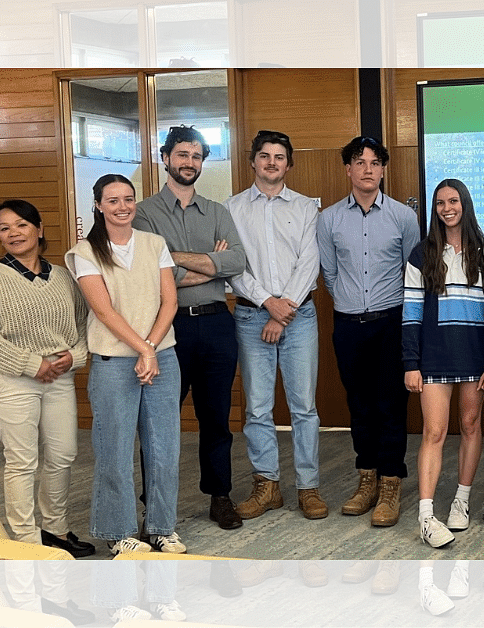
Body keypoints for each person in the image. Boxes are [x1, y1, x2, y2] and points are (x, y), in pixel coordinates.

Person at [0, 200, 94, 558]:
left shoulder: (64, 276)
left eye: (20, 225)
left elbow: (84, 325)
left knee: (63, 454)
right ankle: (26, 541)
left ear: (39, 229)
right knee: (22, 460)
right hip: (10, 380)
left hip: (59, 377)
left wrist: (75, 356)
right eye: (4, 228)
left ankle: (53, 529)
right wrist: (30, 364)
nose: (13, 233)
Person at [134, 125, 247, 530]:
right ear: (166, 158)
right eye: (182, 154)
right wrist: (207, 265)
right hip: (168, 329)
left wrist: (175, 262)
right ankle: (155, 505)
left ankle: (220, 495)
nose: (189, 162)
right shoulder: (144, 212)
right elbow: (148, 273)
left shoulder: (217, 211)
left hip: (217, 325)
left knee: (216, 418)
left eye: (196, 156)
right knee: (159, 420)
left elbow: (237, 262)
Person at [66, 174, 184, 555]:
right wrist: (143, 350)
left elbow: (170, 302)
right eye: (113, 200)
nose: (122, 207)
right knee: (114, 450)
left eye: (128, 199)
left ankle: (163, 527)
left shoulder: (154, 244)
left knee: (164, 448)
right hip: (114, 362)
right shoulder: (85, 252)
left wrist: (151, 348)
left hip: (161, 357)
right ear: (98, 205)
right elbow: (104, 311)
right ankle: (119, 533)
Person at [319, 135, 421, 528]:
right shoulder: (329, 218)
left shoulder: (402, 216)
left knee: (391, 405)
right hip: (348, 325)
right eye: (359, 162)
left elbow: (411, 275)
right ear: (348, 169)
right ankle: (367, 480)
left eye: (375, 162)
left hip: (391, 322)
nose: (367, 169)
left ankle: (391, 483)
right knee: (359, 405)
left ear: (383, 169)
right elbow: (329, 272)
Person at [225, 130, 326, 521]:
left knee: (304, 407)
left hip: (298, 318)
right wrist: (268, 304)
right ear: (253, 161)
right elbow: (234, 267)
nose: (271, 162)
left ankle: (308, 487)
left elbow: (309, 262)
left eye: (279, 157)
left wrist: (283, 311)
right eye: (264, 156)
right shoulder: (231, 208)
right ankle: (266, 486)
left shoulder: (305, 208)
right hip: (252, 317)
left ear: (289, 163)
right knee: (258, 408)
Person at [405, 179, 484, 549]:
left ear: (465, 204)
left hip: (476, 357)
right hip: (434, 358)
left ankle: (461, 499)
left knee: (471, 424)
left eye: (454, 200)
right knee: (434, 432)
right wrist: (411, 362)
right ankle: (426, 516)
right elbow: (411, 312)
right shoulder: (421, 254)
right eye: (441, 202)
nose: (447, 208)